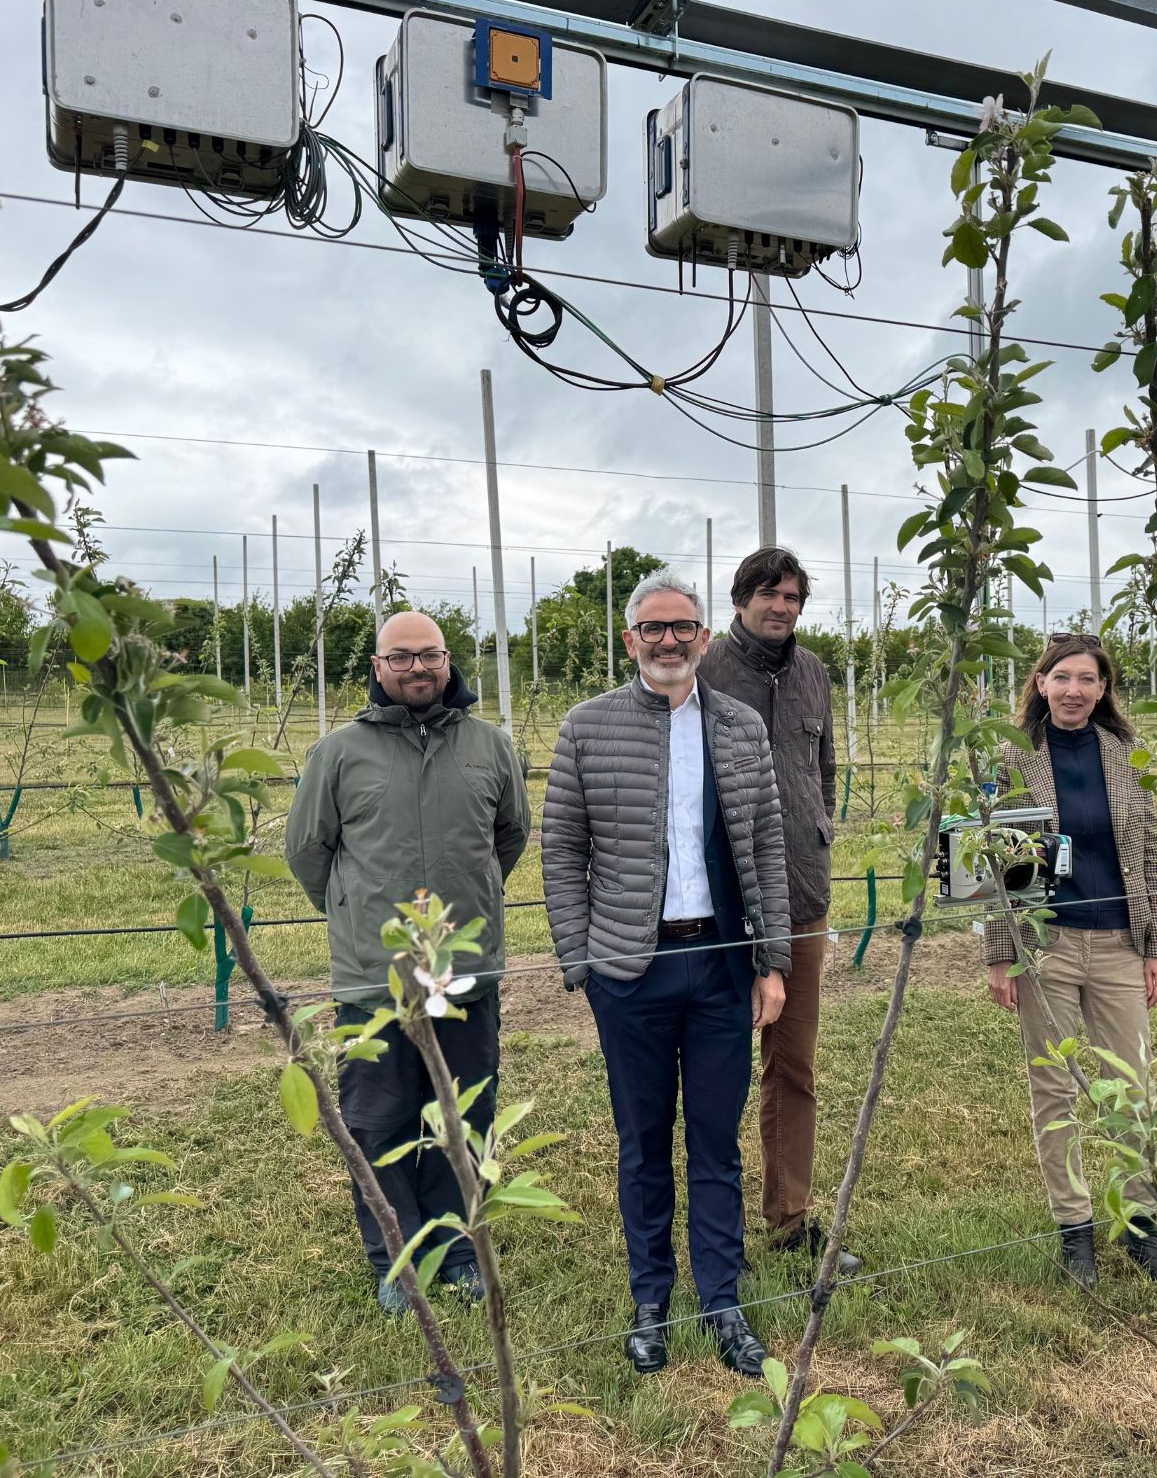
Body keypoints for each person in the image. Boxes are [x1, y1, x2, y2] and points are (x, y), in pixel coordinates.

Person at [542, 569, 790, 1379]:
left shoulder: (741, 727)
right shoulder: (588, 727)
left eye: (684, 627)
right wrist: (582, 960)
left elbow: (764, 847)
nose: (670, 641)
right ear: (631, 641)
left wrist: (773, 959)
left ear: (704, 637)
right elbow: (562, 850)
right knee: (643, 1144)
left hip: (720, 962)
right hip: (632, 969)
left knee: (716, 1144)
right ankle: (651, 1298)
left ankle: (722, 1300)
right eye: (654, 628)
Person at [287, 610, 530, 1316]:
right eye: (401, 658)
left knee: (462, 1111)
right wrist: (356, 917)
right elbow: (308, 850)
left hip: (465, 968)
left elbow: (509, 837)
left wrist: (471, 897)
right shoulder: (340, 753)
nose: (417, 669)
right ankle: (396, 1255)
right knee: (378, 1117)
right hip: (376, 975)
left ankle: (458, 1249)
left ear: (449, 662)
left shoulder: (491, 747)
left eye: (429, 656)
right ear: (377, 666)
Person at [981, 634, 1157, 1289]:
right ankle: (1076, 1233)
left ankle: (1144, 1229)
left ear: (1103, 689)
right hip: (1048, 949)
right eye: (1061, 677)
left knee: (1134, 1090)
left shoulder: (1128, 755)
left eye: (1086, 679)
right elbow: (1002, 863)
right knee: (1056, 1091)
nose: (1073, 690)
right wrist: (1000, 957)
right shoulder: (1014, 758)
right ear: (1040, 684)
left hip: (1121, 943)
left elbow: (1150, 853)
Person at [697, 546, 861, 1278]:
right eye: (769, 594)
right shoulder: (704, 672)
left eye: (793, 596)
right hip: (720, 907)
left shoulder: (815, 673)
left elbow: (820, 771)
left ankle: (790, 1216)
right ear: (740, 600)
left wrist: (816, 834)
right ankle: (713, 1218)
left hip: (801, 898)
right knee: (715, 1066)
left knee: (793, 1065)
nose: (782, 607)